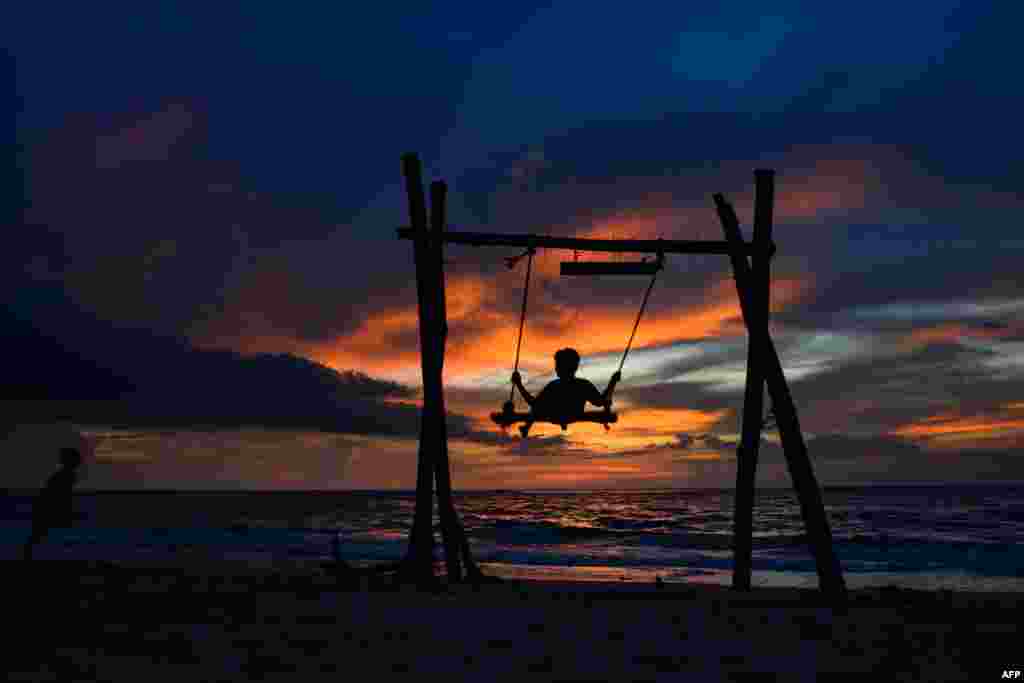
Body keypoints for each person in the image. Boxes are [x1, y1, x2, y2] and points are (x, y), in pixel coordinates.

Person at [511, 348, 620, 437]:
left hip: (555, 417)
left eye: (557, 365)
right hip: (573, 416)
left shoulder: (553, 386)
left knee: (536, 406)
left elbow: (533, 403)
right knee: (606, 401)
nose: (556, 368)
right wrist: (612, 382)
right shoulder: (583, 385)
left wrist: (519, 384)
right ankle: (527, 427)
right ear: (575, 367)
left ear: (561, 367)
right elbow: (600, 402)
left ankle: (526, 427)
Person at [23, 447, 82, 561]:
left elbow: (61, 495)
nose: (78, 462)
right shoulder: (66, 476)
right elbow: (60, 495)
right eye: (76, 459)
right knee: (38, 534)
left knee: (38, 534)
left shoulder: (63, 475)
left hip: (46, 507)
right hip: (47, 508)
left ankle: (28, 557)